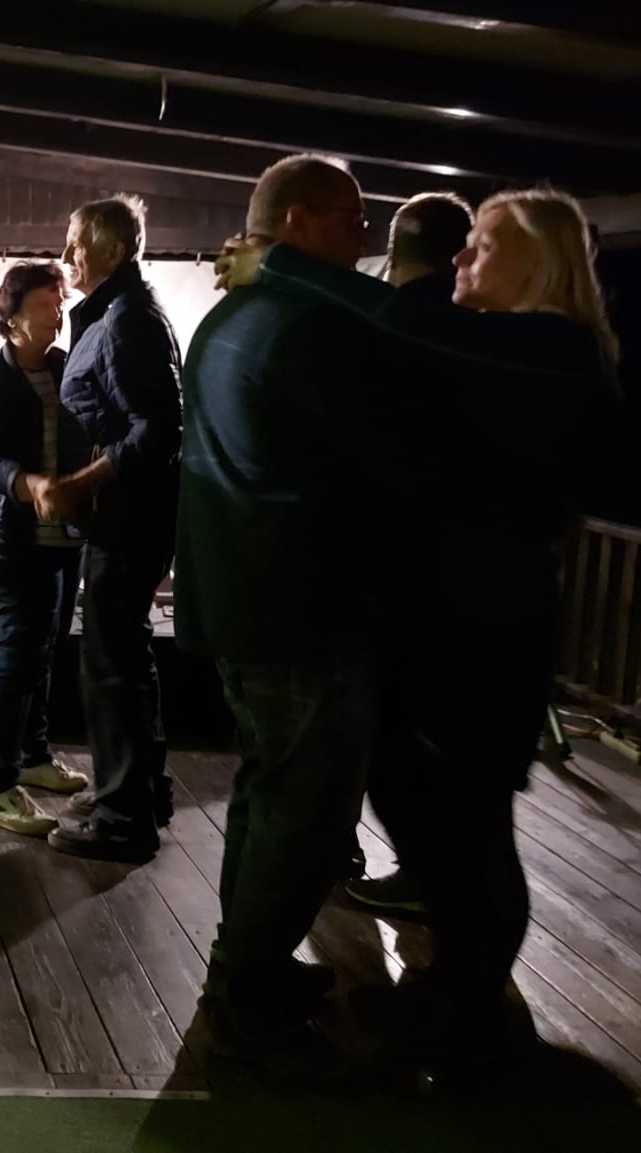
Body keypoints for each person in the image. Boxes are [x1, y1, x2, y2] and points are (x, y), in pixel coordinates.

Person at [239, 187, 619, 1087]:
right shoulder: (502, 352)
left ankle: (473, 1006)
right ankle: (456, 987)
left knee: (474, 827)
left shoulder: (553, 348)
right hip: (451, 623)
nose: (459, 258)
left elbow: (409, 322)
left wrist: (282, 266)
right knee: (430, 811)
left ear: (540, 263)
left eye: (482, 245)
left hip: (491, 631)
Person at [175, 155, 404, 1082]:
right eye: (353, 218)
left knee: (266, 802)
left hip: (243, 599)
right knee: (305, 821)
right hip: (306, 608)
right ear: (300, 221)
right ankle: (244, 1008)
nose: (366, 235)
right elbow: (367, 463)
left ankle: (246, 978)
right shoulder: (311, 325)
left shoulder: (229, 316)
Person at [339, 190, 475, 920]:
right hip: (462, 572)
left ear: (395, 250)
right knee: (440, 740)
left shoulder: (385, 326)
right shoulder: (484, 333)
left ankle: (426, 876)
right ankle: (440, 880)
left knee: (386, 737)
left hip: (387, 568)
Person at [46, 196, 183, 864]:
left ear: (115, 250)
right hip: (125, 514)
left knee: (109, 662)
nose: (65, 255)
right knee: (127, 652)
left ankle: (121, 816)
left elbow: (158, 428)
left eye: (76, 243)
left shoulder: (128, 320)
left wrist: (83, 482)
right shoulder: (116, 313)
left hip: (129, 515)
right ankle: (138, 789)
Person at [0, 262, 94, 837]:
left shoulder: (66, 367)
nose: (58, 312)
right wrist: (28, 483)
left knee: (48, 650)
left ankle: (34, 757)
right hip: (11, 541)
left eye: (60, 302)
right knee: (16, 658)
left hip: (64, 538)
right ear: (12, 316)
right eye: (45, 303)